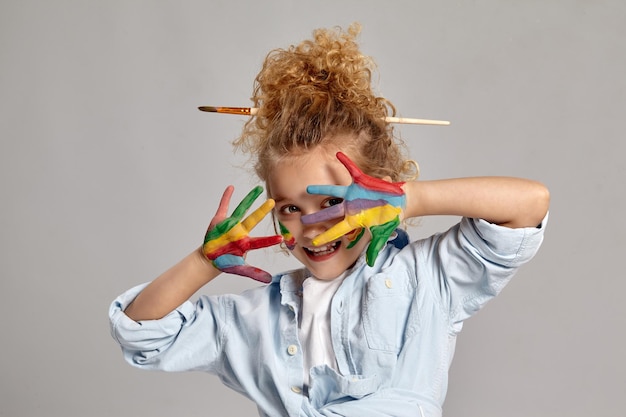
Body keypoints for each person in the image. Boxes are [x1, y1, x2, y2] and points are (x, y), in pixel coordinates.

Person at [109, 24, 549, 417]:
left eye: (334, 202)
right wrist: (204, 263)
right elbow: (141, 331)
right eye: (290, 208)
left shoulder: (425, 280)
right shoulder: (252, 320)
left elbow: (529, 204)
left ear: (379, 192)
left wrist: (410, 199)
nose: (313, 226)